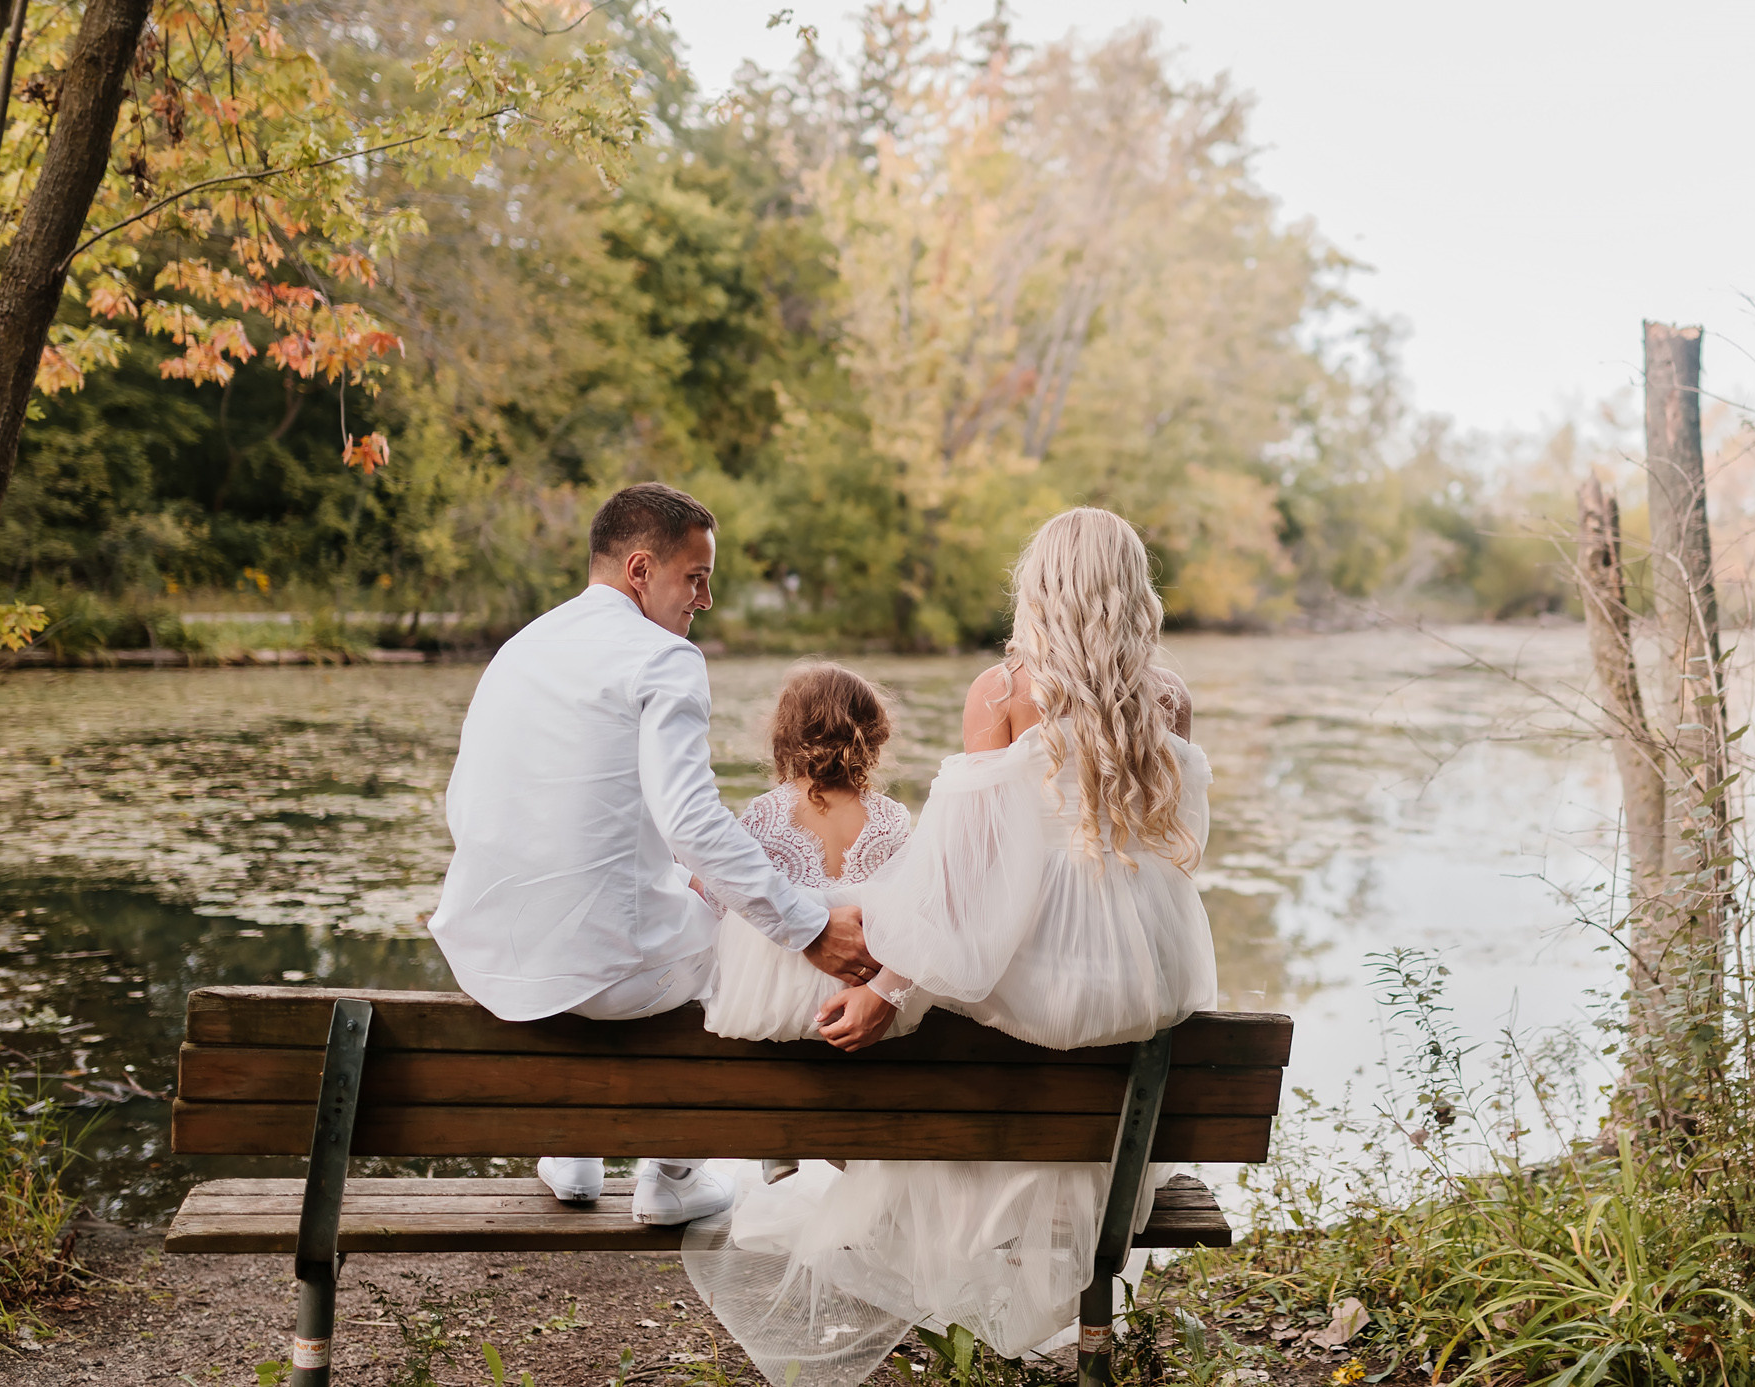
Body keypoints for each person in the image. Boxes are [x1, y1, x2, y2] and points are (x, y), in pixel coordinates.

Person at [683, 506, 1215, 1387]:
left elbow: (966, 875)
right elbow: (1174, 850)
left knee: (924, 977)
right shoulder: (1167, 697)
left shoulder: (1001, 694)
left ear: (1037, 587)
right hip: (1143, 976)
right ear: (1134, 590)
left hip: (1040, 994)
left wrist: (887, 986)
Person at [429, 482, 878, 1224]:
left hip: (491, 956)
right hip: (595, 969)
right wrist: (804, 925)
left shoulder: (521, 646)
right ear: (641, 569)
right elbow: (691, 821)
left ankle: (573, 1147)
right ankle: (671, 1171)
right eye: (695, 577)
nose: (703, 599)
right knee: (742, 933)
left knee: (671, 895)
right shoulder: (664, 658)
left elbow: (465, 800)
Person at [704, 661, 927, 1183]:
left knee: (742, 932)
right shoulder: (891, 817)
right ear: (871, 736)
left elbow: (728, 899)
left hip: (775, 994)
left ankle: (782, 1135)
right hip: (861, 991)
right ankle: (843, 1136)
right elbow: (914, 901)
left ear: (785, 735)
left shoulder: (764, 811)